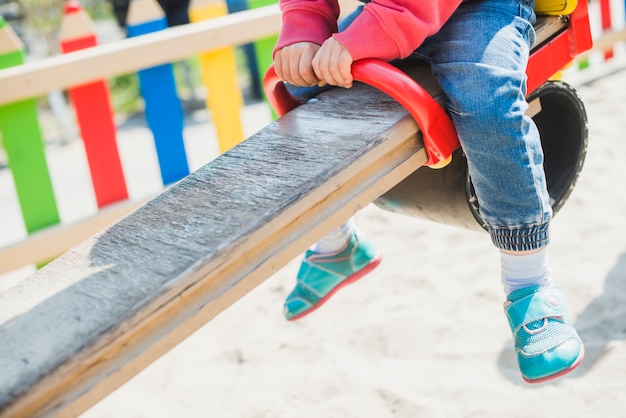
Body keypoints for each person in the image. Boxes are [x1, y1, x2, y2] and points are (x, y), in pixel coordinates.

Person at [272, 0, 584, 384]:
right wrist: (304, 23)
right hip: (386, 11)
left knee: (485, 97)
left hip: (477, 8)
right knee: (297, 84)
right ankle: (337, 241)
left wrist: (379, 29)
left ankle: (530, 284)